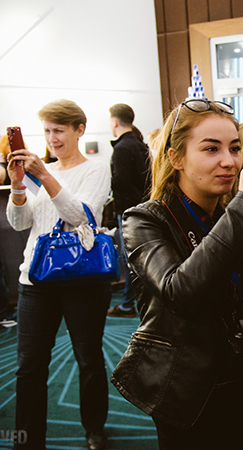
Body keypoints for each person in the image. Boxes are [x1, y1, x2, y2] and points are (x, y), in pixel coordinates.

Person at [110, 98, 243, 450]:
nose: (229, 161)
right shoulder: (145, 219)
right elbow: (180, 293)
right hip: (188, 387)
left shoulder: (233, 213)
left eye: (234, 148)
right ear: (176, 158)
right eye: (211, 149)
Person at [6, 99, 112, 450]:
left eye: (59, 130)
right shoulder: (39, 173)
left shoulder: (95, 170)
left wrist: (45, 176)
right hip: (35, 279)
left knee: (88, 358)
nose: (52, 138)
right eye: (47, 131)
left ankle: (94, 427)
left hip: (82, 278)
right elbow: (20, 223)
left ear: (79, 130)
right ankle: (27, 439)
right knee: (29, 366)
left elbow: (81, 217)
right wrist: (18, 185)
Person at [106, 103, 152, 318]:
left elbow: (121, 182)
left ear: (115, 121)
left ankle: (127, 305)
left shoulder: (122, 148)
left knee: (130, 261)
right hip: (142, 206)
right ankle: (133, 303)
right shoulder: (140, 144)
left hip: (126, 209)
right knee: (138, 259)